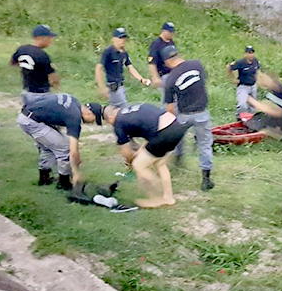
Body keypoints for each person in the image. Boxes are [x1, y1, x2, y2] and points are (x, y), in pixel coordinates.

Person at [104, 103, 189, 208]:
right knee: (160, 163)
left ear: (110, 117)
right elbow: (150, 130)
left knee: (139, 165)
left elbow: (126, 153)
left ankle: (156, 196)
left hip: (163, 133)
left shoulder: (118, 123)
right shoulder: (133, 109)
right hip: (176, 126)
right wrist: (140, 151)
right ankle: (168, 198)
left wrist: (130, 163)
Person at [16, 93, 104, 190]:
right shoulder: (74, 117)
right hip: (31, 121)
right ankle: (64, 183)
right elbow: (73, 150)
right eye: (94, 119)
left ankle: (44, 179)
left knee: (49, 145)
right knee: (64, 148)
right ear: (89, 113)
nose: (92, 123)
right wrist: (76, 172)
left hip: (29, 114)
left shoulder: (74, 102)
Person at [162, 45, 215, 191]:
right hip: (201, 112)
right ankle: (206, 179)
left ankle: (178, 160)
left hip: (184, 115)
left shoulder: (170, 79)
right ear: (178, 55)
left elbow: (170, 108)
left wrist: (172, 123)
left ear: (167, 61)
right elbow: (203, 82)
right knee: (204, 145)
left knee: (177, 138)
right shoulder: (197, 65)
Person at [95, 27, 150, 108]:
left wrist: (141, 79)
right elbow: (98, 68)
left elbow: (130, 67)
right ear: (113, 39)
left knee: (117, 110)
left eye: (124, 38)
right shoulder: (108, 52)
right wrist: (101, 87)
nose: (123, 40)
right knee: (123, 109)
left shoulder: (124, 53)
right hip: (112, 87)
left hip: (121, 86)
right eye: (120, 38)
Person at [10, 24, 60, 105]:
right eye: (49, 38)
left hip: (26, 91)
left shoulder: (22, 49)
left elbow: (13, 63)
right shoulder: (42, 55)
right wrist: (57, 85)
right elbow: (52, 76)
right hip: (41, 93)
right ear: (41, 38)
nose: (51, 41)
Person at [226, 45, 261, 116]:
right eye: (249, 53)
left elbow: (258, 70)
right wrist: (233, 79)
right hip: (243, 87)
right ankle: (239, 117)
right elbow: (229, 67)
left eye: (252, 53)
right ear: (245, 54)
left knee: (253, 107)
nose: (251, 55)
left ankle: (250, 119)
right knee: (242, 105)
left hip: (253, 87)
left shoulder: (255, 61)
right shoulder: (241, 63)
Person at [147, 22, 176, 88]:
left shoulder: (171, 42)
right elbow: (152, 62)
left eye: (172, 32)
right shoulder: (156, 44)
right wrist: (155, 77)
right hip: (162, 75)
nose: (171, 34)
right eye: (169, 32)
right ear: (163, 31)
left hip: (172, 74)